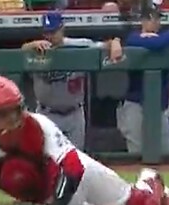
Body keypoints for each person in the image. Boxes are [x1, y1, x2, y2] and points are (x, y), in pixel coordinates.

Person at [0, 75, 169, 205]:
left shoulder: (38, 126)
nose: (13, 119)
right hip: (49, 193)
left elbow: (73, 167)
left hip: (81, 176)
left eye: (15, 111)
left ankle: (150, 181)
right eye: (3, 113)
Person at [22, 12, 123, 150]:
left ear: (62, 28)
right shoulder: (36, 50)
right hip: (47, 114)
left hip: (74, 114)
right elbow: (20, 54)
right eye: (47, 32)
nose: (49, 36)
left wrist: (115, 42)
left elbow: (106, 45)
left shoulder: (79, 46)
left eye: (53, 31)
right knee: (46, 160)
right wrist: (30, 45)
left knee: (77, 161)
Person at [118, 6, 169, 154]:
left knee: (164, 153)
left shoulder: (165, 38)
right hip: (136, 105)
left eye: (157, 18)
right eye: (151, 18)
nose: (155, 22)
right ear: (143, 21)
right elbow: (155, 45)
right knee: (136, 153)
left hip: (159, 107)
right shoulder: (133, 37)